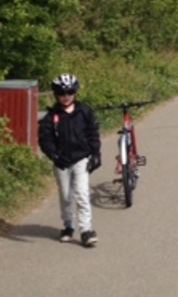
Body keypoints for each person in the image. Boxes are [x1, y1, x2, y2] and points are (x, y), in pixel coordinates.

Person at [38, 74, 102, 247]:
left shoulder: (84, 111)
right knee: (66, 196)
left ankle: (86, 230)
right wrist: (54, 155)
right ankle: (68, 226)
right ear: (56, 95)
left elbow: (93, 133)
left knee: (82, 194)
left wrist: (96, 153)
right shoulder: (51, 117)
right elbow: (45, 140)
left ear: (75, 93)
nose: (66, 97)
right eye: (61, 93)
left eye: (70, 92)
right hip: (62, 161)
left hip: (81, 158)